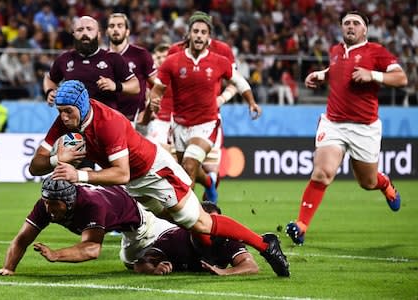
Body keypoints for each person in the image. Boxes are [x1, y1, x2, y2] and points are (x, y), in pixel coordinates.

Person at [29, 80, 289, 277]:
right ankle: (215, 252)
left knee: (198, 221)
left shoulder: (109, 122)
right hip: (135, 183)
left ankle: (265, 246)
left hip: (153, 171)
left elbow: (122, 173)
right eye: (60, 111)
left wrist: (80, 174)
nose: (63, 117)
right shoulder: (64, 122)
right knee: (180, 221)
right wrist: (56, 159)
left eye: (67, 112)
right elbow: (34, 166)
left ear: (82, 106)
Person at [286, 11, 408, 246]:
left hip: (365, 127)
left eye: (356, 23)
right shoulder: (335, 51)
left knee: (367, 182)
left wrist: (372, 75)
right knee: (322, 172)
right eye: (346, 23)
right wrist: (322, 75)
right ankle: (301, 226)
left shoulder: (376, 51)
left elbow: (401, 78)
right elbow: (337, 71)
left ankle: (385, 184)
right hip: (334, 123)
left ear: (365, 30)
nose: (350, 27)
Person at [148, 12, 261, 203]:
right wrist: (155, 100)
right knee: (185, 168)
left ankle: (190, 221)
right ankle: (208, 183)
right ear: (189, 34)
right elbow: (158, 87)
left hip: (207, 122)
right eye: (196, 31)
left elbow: (239, 81)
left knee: (189, 167)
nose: (199, 35)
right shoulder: (173, 58)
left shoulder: (220, 58)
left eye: (203, 32)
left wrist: (251, 102)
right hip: (179, 123)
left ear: (209, 36)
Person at [0, 177, 176, 275]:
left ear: (70, 201)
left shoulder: (91, 205)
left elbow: (92, 249)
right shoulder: (45, 204)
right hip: (121, 203)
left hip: (142, 220)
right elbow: (22, 239)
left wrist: (56, 255)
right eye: (47, 202)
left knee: (136, 264)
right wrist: (9, 267)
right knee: (131, 262)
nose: (50, 209)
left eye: (55, 205)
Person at [134, 201, 260, 276]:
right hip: (152, 231)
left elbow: (251, 266)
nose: (209, 228)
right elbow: (140, 263)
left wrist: (225, 272)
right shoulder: (174, 238)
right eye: (205, 223)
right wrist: (154, 269)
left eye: (215, 224)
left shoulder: (227, 238)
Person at [43, 16, 139, 109]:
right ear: (74, 34)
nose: (85, 33)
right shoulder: (64, 59)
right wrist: (50, 91)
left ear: (98, 34)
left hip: (106, 120)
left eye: (89, 29)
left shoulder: (113, 58)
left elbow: (135, 86)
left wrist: (116, 86)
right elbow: (49, 78)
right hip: (75, 122)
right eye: (80, 30)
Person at [106, 13, 157, 129]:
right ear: (107, 31)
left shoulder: (141, 54)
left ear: (127, 31)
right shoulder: (102, 58)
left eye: (120, 26)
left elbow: (157, 85)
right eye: (112, 26)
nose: (115, 29)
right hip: (111, 121)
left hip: (137, 120)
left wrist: (148, 110)